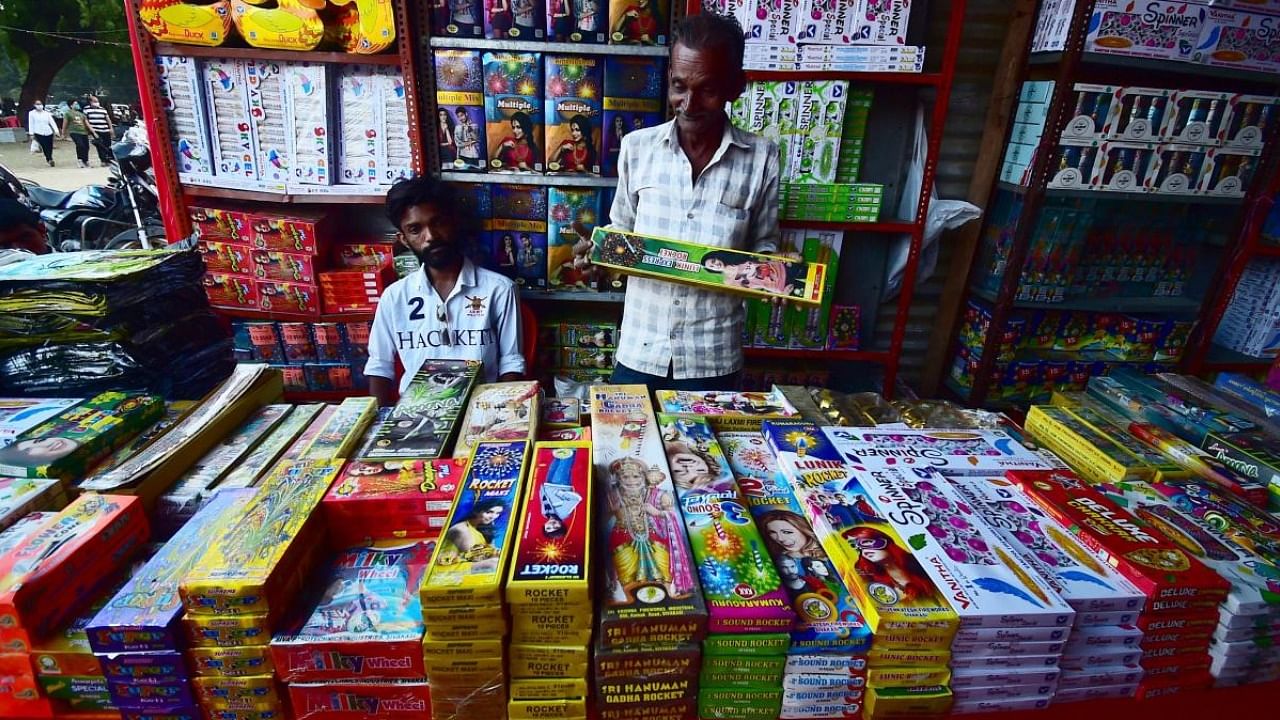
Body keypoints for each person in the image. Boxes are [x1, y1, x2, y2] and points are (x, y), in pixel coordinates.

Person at [596, 11, 780, 392]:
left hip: (712, 359)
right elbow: (621, 229)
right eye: (679, 86)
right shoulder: (637, 149)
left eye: (708, 89)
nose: (689, 103)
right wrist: (601, 252)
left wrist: (779, 272)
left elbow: (764, 246)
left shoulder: (761, 158)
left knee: (706, 455)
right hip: (639, 352)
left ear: (736, 87)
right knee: (626, 453)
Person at [366, 177, 525, 406]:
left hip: (479, 410)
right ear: (404, 239)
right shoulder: (395, 297)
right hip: (416, 412)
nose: (430, 236)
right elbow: (379, 366)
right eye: (415, 229)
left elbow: (511, 363)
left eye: (438, 223)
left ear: (453, 222)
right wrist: (377, 426)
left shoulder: (499, 289)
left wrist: (498, 415)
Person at [845, 526, 940, 603]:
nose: (865, 552)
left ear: (884, 541)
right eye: (858, 549)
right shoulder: (873, 580)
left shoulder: (920, 565)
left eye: (866, 542)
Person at [436, 498, 506, 566]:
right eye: (489, 512)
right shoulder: (461, 530)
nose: (493, 517)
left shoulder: (487, 524)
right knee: (495, 563)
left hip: (471, 562)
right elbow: (473, 557)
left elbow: (491, 549)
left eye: (497, 513)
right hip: (451, 565)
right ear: (477, 511)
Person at [83, 96, 114, 167]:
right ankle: (103, 160)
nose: (97, 103)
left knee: (107, 145)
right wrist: (92, 131)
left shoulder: (102, 109)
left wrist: (111, 128)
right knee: (100, 146)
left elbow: (107, 119)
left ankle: (108, 160)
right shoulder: (86, 109)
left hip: (105, 129)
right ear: (91, 102)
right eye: (95, 101)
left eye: (97, 101)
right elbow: (86, 120)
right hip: (96, 130)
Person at [61, 101, 92, 168]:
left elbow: (87, 123)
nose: (77, 105)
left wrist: (92, 132)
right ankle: (80, 160)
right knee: (80, 145)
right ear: (71, 105)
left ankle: (86, 160)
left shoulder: (81, 114)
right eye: (75, 104)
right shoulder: (68, 113)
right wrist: (63, 133)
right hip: (74, 132)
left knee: (86, 146)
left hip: (83, 132)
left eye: (77, 104)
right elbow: (65, 124)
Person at [27, 101, 58, 167]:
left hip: (48, 132)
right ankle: (49, 159)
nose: (39, 106)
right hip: (38, 132)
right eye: (37, 104)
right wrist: (31, 133)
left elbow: (52, 122)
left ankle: (50, 158)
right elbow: (31, 123)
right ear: (34, 105)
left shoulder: (46, 113)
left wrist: (56, 130)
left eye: (40, 104)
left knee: (49, 146)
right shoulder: (32, 113)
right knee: (44, 146)